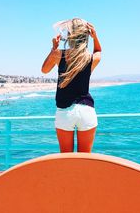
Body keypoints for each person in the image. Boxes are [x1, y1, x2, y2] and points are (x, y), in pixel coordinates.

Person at [41, 18, 102, 153]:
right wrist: (95, 37)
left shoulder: (59, 55)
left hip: (65, 113)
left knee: (66, 158)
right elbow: (98, 51)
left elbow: (44, 70)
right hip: (86, 111)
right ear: (86, 35)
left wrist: (53, 48)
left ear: (69, 35)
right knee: (85, 158)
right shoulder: (89, 58)